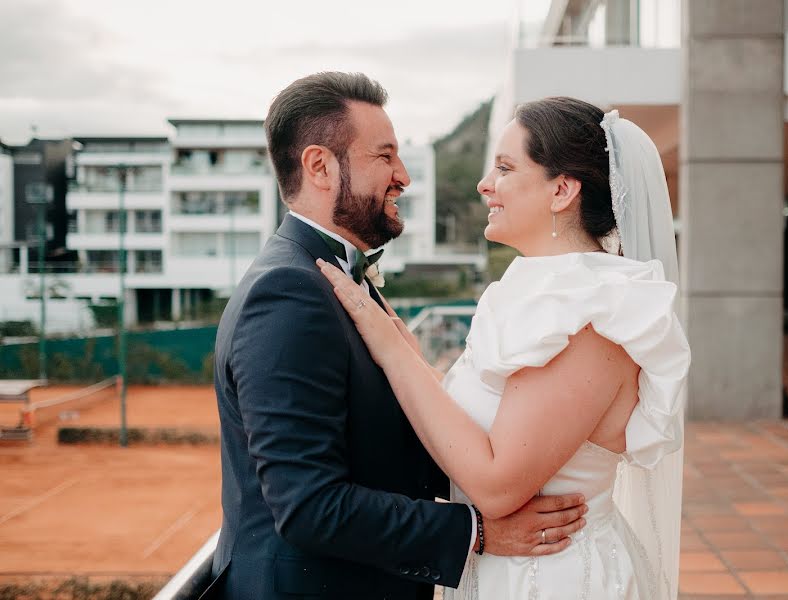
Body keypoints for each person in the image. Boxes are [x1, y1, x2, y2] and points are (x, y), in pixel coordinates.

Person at [205, 74, 589, 600]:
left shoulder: (337, 281)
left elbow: (384, 450)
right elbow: (309, 506)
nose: (402, 176)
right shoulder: (287, 293)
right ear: (320, 166)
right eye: (384, 157)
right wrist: (477, 532)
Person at [317, 96, 692, 599]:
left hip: (553, 577)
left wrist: (389, 350)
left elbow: (497, 485)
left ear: (561, 190)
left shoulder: (594, 317)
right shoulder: (544, 295)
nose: (484, 184)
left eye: (505, 168)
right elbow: (491, 418)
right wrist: (409, 354)